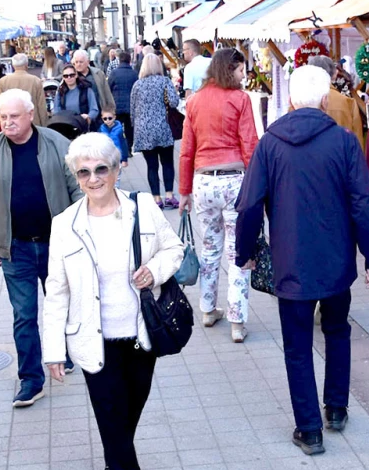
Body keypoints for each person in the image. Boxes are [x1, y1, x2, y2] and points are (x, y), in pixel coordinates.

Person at [236, 65, 369, 456]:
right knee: (337, 331)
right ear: (324, 100)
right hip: (337, 262)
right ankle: (336, 408)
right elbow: (363, 204)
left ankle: (309, 428)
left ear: (289, 100)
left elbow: (250, 203)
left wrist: (245, 252)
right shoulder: (344, 142)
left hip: (291, 262)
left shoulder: (270, 144)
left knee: (297, 346)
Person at [41, 133, 184, 470]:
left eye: (101, 169)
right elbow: (56, 291)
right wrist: (53, 351)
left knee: (130, 408)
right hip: (92, 339)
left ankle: (115, 456)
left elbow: (174, 249)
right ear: (75, 175)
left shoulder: (142, 210)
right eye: (83, 172)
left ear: (117, 169)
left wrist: (154, 271)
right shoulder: (64, 225)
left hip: (141, 334)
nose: (93, 178)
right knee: (109, 412)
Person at [0, 89, 81, 407]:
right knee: (23, 316)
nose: (7, 122)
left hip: (56, 245)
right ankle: (31, 379)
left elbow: (77, 186)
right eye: (2, 117)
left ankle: (65, 355)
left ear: (30, 115)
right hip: (14, 248)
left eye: (14, 116)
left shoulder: (55, 143)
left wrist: (79, 234)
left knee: (62, 306)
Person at [179, 48, 259, 343]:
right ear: (231, 69)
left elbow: (187, 149)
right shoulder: (240, 99)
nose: (244, 76)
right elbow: (249, 143)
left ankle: (207, 308)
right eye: (241, 70)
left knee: (210, 248)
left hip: (203, 182)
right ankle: (237, 321)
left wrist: (184, 190)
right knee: (239, 251)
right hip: (234, 181)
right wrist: (257, 187)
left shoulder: (195, 101)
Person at [130, 53, 180, 209]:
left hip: (144, 130)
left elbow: (132, 110)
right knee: (167, 163)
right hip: (163, 127)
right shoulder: (164, 81)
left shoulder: (137, 85)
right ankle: (170, 196)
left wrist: (135, 128)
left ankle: (156, 198)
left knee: (151, 166)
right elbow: (173, 102)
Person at [308, 55, 364, 145]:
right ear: (334, 74)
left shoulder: (298, 102)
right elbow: (357, 142)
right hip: (341, 156)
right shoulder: (348, 102)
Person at [0, 54, 48, 127]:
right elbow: (41, 106)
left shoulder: (3, 81)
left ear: (13, 66)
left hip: (11, 124)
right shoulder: (36, 80)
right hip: (33, 123)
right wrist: (44, 125)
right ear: (26, 65)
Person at [107, 49, 138, 152]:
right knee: (130, 128)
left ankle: (119, 147)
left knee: (117, 127)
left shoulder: (114, 73)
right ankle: (129, 147)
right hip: (131, 106)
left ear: (119, 61)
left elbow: (108, 88)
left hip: (117, 105)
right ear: (129, 61)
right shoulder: (134, 74)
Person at [56, 63, 101, 128]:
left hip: (83, 125)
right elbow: (56, 110)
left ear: (76, 75)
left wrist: (88, 116)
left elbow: (94, 109)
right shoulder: (60, 91)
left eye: (72, 75)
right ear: (63, 78)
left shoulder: (86, 89)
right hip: (66, 125)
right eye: (66, 76)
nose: (69, 77)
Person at [72, 49, 114, 115]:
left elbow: (107, 93)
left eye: (81, 62)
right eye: (76, 62)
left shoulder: (98, 73)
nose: (78, 64)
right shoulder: (70, 76)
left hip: (98, 113)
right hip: (79, 115)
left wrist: (111, 111)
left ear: (88, 62)